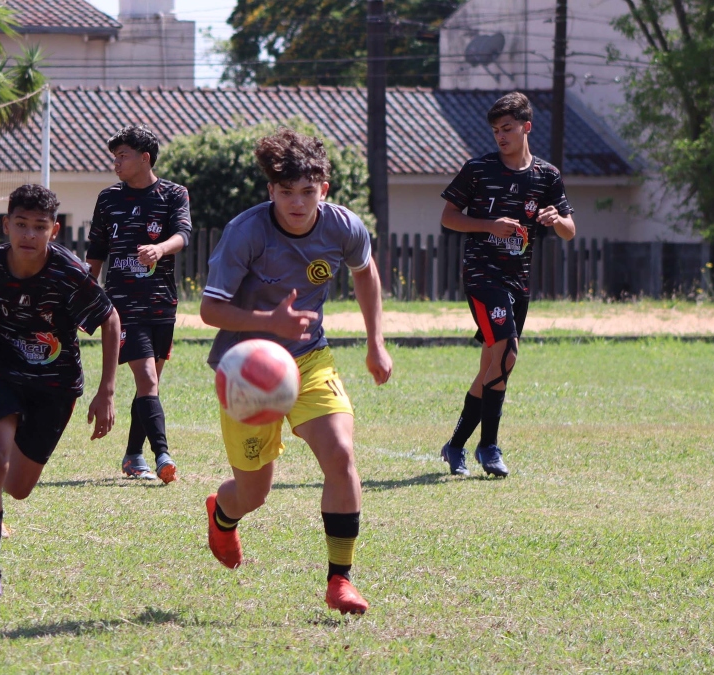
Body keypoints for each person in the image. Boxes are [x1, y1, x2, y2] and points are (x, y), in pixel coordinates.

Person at [199, 129, 392, 616]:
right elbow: (209, 309)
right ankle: (223, 516)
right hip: (246, 370)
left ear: (323, 189)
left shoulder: (343, 227)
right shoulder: (246, 232)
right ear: (271, 192)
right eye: (286, 193)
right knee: (253, 493)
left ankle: (340, 580)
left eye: (307, 192)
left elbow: (365, 272)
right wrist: (270, 323)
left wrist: (375, 343)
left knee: (341, 453)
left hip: (309, 359)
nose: (297, 203)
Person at [0, 184, 120, 597]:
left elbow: (111, 321)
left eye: (39, 227)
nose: (29, 234)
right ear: (6, 225)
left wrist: (107, 392)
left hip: (56, 384)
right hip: (4, 370)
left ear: (54, 230)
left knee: (19, 488)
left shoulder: (69, 273)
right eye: (21, 225)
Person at [438, 92, 576, 478]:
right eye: (496, 130)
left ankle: (455, 445)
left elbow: (569, 230)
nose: (500, 136)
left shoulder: (546, 176)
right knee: (506, 350)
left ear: (526, 127)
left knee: (496, 363)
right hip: (482, 276)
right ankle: (489, 446)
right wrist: (488, 224)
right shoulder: (478, 170)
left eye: (508, 129)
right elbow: (449, 217)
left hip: (519, 281)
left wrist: (555, 219)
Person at [86, 125, 192, 483]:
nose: (116, 163)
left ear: (145, 158)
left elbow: (183, 234)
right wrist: (85, 296)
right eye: (114, 157)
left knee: (151, 387)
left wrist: (160, 249)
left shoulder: (174, 194)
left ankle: (133, 455)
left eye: (122, 156)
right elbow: (96, 253)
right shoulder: (108, 199)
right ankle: (162, 455)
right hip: (122, 307)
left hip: (162, 303)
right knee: (147, 378)